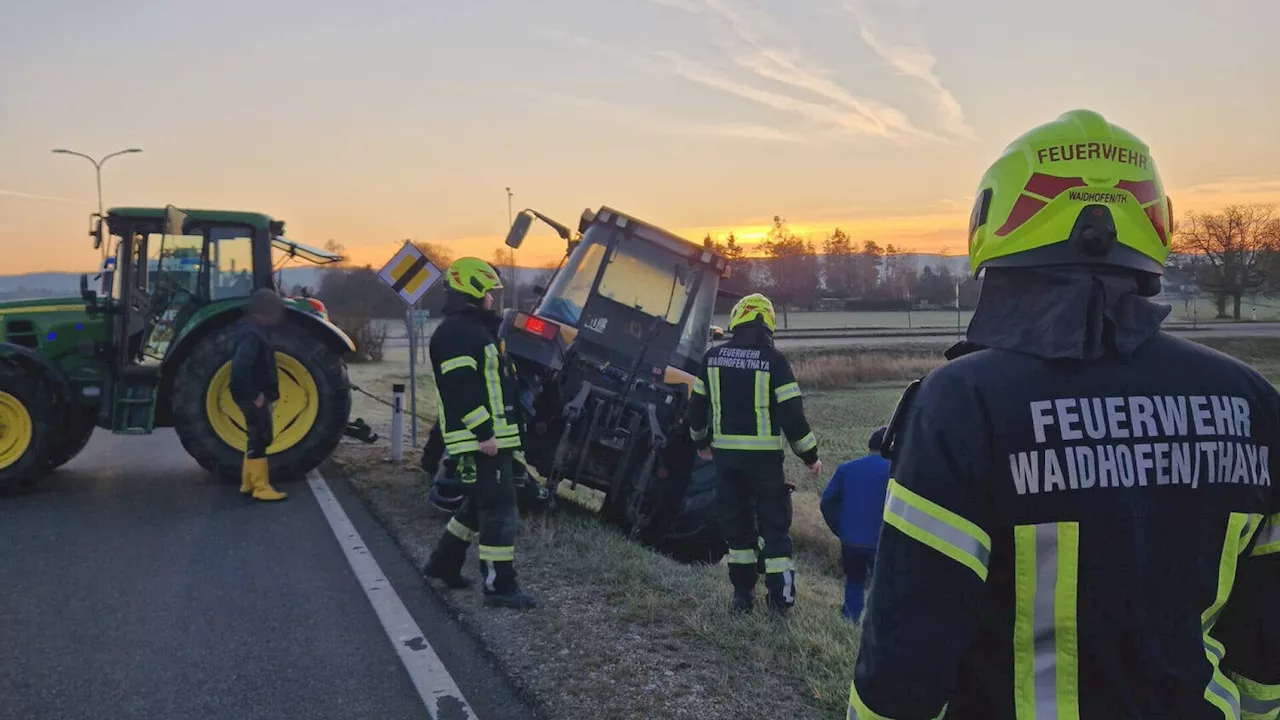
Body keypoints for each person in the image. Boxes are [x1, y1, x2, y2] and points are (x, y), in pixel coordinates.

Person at [847, 108, 1280, 719]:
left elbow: (902, 662)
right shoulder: (1252, 402)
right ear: (1152, 225)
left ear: (998, 223)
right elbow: (1264, 648)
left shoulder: (964, 402)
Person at [688, 292, 822, 615]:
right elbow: (792, 416)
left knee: (738, 531)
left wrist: (701, 441)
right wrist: (810, 456)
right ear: (768, 324)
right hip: (764, 465)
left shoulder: (712, 358)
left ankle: (741, 598)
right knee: (774, 531)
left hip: (726, 463)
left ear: (737, 320)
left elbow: (696, 409)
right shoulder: (774, 362)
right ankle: (779, 604)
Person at [420, 257, 536, 610]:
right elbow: (460, 388)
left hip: (489, 438)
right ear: (471, 291)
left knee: (475, 506)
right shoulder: (459, 333)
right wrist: (485, 432)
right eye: (487, 291)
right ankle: (499, 585)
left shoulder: (472, 330)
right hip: (480, 439)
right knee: (500, 509)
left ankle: (443, 563)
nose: (491, 299)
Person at [819, 426, 890, 623]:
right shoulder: (898, 472)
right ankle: (877, 627)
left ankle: (850, 621)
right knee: (883, 587)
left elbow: (826, 502)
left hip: (851, 541)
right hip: (883, 542)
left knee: (854, 582)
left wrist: (840, 528)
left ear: (869, 447)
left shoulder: (846, 469)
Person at [230, 288, 287, 502]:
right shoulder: (252, 335)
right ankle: (261, 487)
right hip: (252, 394)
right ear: (268, 310)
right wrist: (255, 395)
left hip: (249, 392)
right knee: (261, 437)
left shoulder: (250, 330)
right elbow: (239, 368)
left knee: (255, 436)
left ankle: (248, 483)